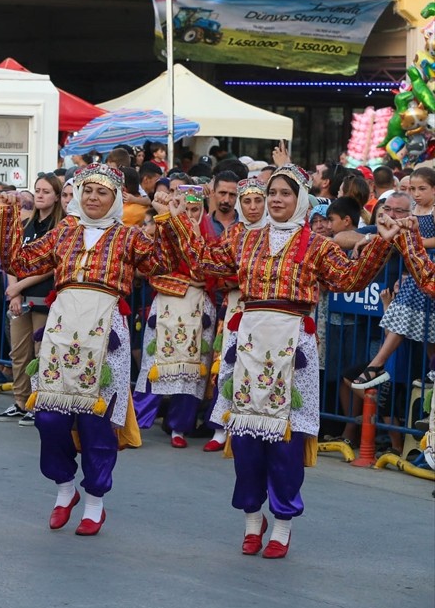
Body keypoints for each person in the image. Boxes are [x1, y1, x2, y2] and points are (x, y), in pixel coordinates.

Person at [158, 164, 396, 558]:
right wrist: (179, 217)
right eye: (272, 194)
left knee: (285, 442)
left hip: (292, 347)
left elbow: (350, 279)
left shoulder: (316, 245)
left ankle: (282, 524)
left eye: (285, 193)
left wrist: (383, 245)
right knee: (248, 438)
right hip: (249, 340)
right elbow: (202, 261)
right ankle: (253, 520)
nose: (277, 200)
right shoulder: (245, 239)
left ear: (300, 198)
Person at [0, 163, 173, 536]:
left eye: (102, 192)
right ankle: (64, 488)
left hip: (107, 331)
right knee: (49, 417)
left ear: (116, 199)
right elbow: (21, 261)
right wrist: (8, 216)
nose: (93, 198)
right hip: (63, 329)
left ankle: (94, 501)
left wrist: (168, 216)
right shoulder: (64, 231)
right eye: (87, 190)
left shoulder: (130, 237)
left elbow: (163, 264)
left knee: (97, 421)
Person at [131, 184, 219, 447]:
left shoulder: (210, 240)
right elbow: (155, 272)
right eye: (185, 209)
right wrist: (190, 283)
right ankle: (133, 421)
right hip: (166, 309)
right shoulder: (164, 236)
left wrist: (198, 281)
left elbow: (211, 275)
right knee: (154, 365)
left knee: (192, 370)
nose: (190, 215)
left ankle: (179, 426)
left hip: (199, 312)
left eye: (195, 210)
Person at [350, 167, 435, 392]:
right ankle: (430, 368)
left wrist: (413, 240)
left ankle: (377, 365)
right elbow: (393, 237)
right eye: (413, 189)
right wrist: (369, 238)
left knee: (406, 317)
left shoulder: (433, 211)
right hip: (413, 274)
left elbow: (421, 241)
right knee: (418, 322)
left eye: (422, 189)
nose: (416, 193)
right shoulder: (413, 211)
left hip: (427, 270)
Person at [203, 178, 267, 452]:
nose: (252, 207)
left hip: (264, 310)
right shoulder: (233, 234)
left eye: (257, 200)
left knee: (259, 365)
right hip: (235, 306)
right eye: (247, 201)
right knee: (228, 363)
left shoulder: (274, 232)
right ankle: (220, 427)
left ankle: (253, 424)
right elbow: (214, 267)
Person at [0, 174, 64, 423]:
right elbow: (12, 260)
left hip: (44, 297)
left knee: (41, 352)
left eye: (46, 191)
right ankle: (20, 402)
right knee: (19, 352)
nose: (40, 195)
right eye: (37, 190)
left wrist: (20, 286)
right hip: (20, 297)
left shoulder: (60, 227)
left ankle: (40, 402)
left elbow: (52, 265)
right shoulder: (26, 226)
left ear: (56, 196)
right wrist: (14, 290)